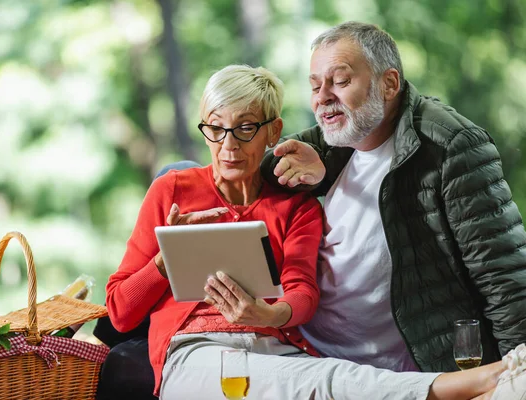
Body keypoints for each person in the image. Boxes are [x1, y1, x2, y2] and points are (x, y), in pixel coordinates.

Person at [104, 64, 521, 400]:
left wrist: (271, 313)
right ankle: (477, 384)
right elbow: (120, 312)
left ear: (272, 131)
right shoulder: (173, 190)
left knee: (323, 378)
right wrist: (164, 260)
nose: (228, 145)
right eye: (215, 128)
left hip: (276, 348)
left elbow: (302, 293)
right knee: (322, 383)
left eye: (245, 128)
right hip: (195, 353)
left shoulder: (296, 205)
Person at [260, 21, 526, 376]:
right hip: (314, 356)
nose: (322, 96)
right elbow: (259, 170)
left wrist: (515, 374)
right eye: (314, 85)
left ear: (389, 84)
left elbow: (503, 276)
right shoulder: (336, 137)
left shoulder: (451, 144)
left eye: (340, 81)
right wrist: (318, 175)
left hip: (407, 373)